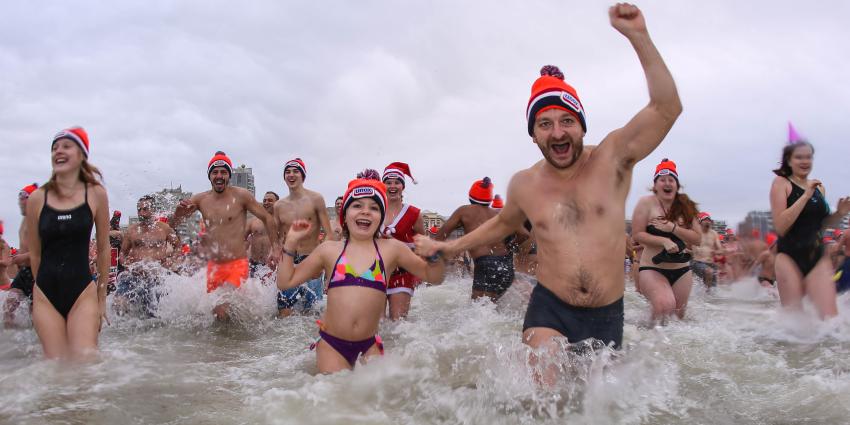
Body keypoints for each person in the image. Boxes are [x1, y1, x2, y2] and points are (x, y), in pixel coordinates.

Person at [416, 2, 681, 360]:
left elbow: (666, 108)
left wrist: (639, 36)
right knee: (544, 378)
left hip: (606, 312)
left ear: (582, 127)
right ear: (533, 135)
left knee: (595, 395)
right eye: (545, 124)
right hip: (550, 306)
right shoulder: (525, 184)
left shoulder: (613, 159)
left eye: (567, 121)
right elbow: (502, 224)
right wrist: (450, 247)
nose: (557, 132)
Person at [277, 174, 445, 373]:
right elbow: (285, 281)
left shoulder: (392, 249)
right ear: (345, 214)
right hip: (332, 345)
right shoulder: (329, 250)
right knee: (334, 389)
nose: (365, 211)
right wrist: (290, 243)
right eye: (357, 206)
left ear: (381, 217)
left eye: (374, 208)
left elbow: (434, 277)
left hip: (369, 345)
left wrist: (434, 256)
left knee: (375, 392)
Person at [26, 127, 110, 359]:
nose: (58, 151)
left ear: (81, 154)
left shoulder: (96, 194)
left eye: (66, 146)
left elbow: (104, 248)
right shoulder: (37, 198)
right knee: (56, 367)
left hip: (82, 292)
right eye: (54, 148)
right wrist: (40, 290)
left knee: (85, 362)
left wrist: (101, 299)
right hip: (46, 295)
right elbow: (35, 254)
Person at [171, 151, 278, 321]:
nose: (219, 176)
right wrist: (178, 212)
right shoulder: (200, 199)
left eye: (223, 172)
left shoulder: (241, 195)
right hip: (214, 267)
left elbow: (268, 218)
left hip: (237, 264)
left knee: (221, 310)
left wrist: (276, 249)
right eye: (215, 172)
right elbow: (174, 224)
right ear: (209, 176)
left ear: (229, 175)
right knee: (216, 317)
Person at [769, 140, 850, 318]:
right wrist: (805, 195)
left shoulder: (819, 187)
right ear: (789, 160)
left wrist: (840, 214)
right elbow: (781, 227)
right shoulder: (781, 183)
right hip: (789, 256)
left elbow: (822, 226)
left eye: (808, 157)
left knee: (830, 320)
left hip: (817, 256)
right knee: (795, 322)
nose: (805, 161)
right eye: (799, 157)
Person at [632, 159, 700, 321]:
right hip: (652, 268)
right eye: (662, 180)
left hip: (682, 270)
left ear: (677, 185)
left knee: (677, 319)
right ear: (655, 185)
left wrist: (673, 228)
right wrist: (663, 241)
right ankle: (645, 335)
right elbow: (637, 234)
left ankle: (653, 333)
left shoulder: (686, 206)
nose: (667, 183)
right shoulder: (646, 203)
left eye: (671, 180)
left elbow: (698, 239)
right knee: (664, 305)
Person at [273, 158, 336, 317]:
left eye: (296, 171)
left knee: (311, 313)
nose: (291, 175)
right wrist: (275, 253)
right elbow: (277, 237)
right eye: (288, 172)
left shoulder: (316, 199)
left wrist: (320, 262)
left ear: (303, 176)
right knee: (284, 312)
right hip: (289, 261)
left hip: (311, 259)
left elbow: (329, 234)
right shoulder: (279, 206)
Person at [437, 177, 517, 301]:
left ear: (471, 197)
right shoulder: (497, 214)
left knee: (477, 306)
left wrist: (434, 256)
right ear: (489, 200)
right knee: (491, 307)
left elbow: (441, 235)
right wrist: (510, 248)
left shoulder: (464, 211)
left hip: (485, 263)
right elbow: (521, 235)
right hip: (507, 266)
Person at [114, 195, 180, 317]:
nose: (141, 213)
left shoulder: (164, 228)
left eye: (145, 209)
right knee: (119, 304)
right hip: (135, 275)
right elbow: (122, 253)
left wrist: (171, 261)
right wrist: (127, 265)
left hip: (157, 276)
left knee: (152, 315)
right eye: (139, 209)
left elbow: (178, 246)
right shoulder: (132, 230)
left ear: (153, 209)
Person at [381, 162, 426, 320]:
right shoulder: (374, 209)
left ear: (403, 187)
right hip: (375, 272)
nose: (392, 186)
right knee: (376, 325)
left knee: (397, 324)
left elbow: (423, 245)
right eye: (388, 182)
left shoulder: (414, 213)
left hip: (402, 274)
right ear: (383, 185)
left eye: (397, 182)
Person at [3, 183, 40, 327]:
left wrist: (22, 257)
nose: (19, 202)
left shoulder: (39, 220)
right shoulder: (24, 220)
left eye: (22, 199)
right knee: (8, 307)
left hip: (37, 271)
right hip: (24, 272)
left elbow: (45, 249)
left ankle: (37, 338)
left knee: (36, 314)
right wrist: (18, 255)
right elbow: (25, 247)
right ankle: (10, 338)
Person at [246, 191, 279, 282]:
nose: (266, 202)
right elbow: (241, 239)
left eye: (270, 200)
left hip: (272, 266)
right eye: (264, 200)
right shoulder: (253, 221)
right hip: (253, 265)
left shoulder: (281, 222)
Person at [691, 212, 722, 288]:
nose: (708, 221)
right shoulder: (695, 232)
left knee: (714, 287)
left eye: (709, 220)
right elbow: (686, 246)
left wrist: (716, 252)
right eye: (705, 220)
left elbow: (720, 249)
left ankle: (707, 293)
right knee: (709, 271)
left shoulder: (714, 234)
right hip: (697, 262)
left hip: (711, 263)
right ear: (700, 222)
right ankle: (706, 294)